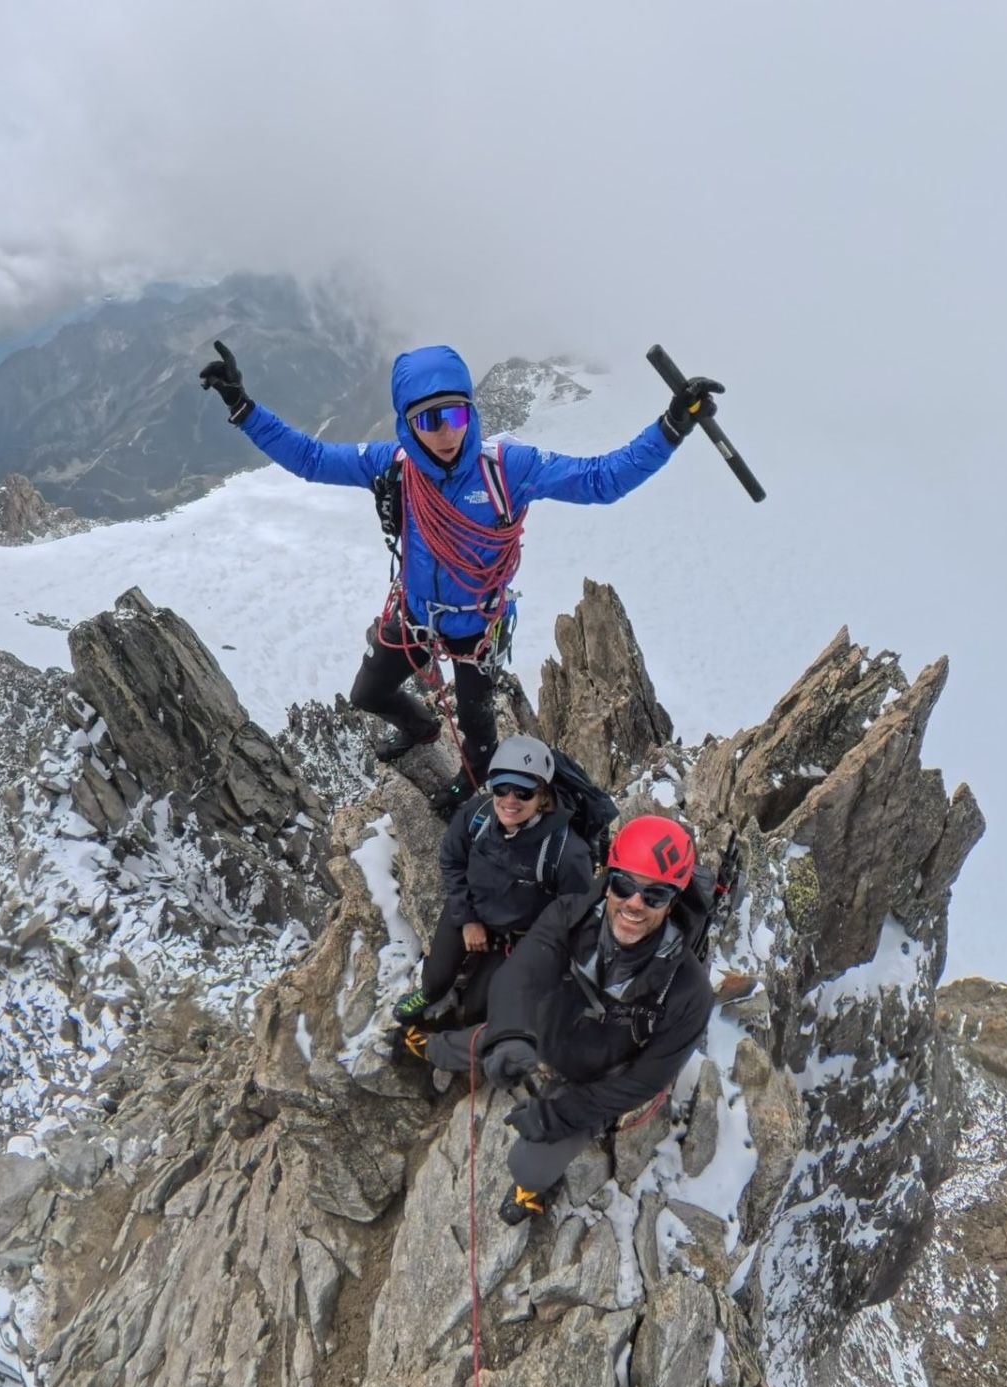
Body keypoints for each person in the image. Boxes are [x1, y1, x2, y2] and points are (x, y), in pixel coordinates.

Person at [199, 339, 722, 813]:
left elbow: (600, 480)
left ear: (471, 412)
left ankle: (468, 782)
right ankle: (423, 728)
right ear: (408, 424)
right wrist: (244, 411)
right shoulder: (393, 466)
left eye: (455, 414)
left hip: (476, 625)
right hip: (416, 614)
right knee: (369, 694)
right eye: (429, 421)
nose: (446, 432)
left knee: (478, 730)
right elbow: (311, 459)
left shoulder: (506, 468)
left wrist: (671, 427)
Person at [478, 814, 716, 1225]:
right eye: (624, 885)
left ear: (673, 901)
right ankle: (423, 1045)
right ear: (608, 879)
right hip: (546, 1034)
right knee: (461, 1049)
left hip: (600, 1078)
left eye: (654, 896)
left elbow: (642, 1081)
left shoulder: (688, 991)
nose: (634, 904)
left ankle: (530, 1191)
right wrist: (509, 1034)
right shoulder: (569, 915)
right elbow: (523, 971)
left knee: (526, 1166)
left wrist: (559, 1115)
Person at [389, 734, 593, 1045]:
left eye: (524, 792)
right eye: (501, 787)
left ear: (543, 796)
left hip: (519, 937)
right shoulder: (477, 815)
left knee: (477, 1009)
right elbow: (452, 860)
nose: (510, 800)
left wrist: (533, 957)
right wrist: (468, 919)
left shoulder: (566, 853)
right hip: (470, 911)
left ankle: (460, 1025)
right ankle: (432, 995)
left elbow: (573, 917)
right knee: (434, 981)